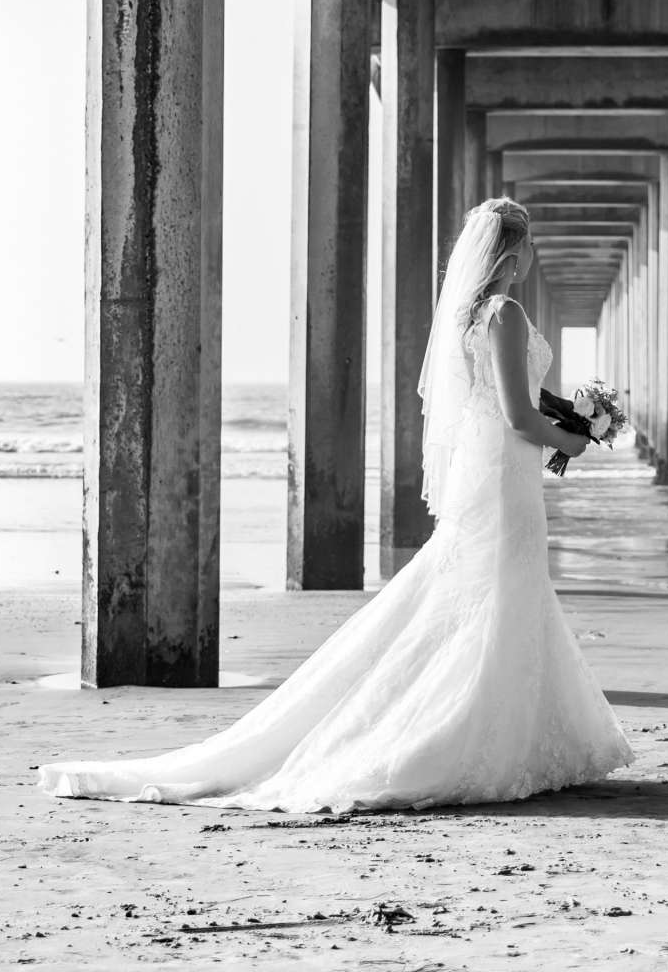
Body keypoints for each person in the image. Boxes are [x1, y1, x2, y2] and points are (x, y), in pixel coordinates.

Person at [38, 198, 633, 812]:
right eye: (531, 244)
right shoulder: (505, 312)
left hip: (491, 466)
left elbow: (510, 395)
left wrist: (572, 411)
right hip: (503, 473)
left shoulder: (472, 316)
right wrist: (571, 440)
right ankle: (476, 735)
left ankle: (513, 734)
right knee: (500, 588)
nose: (536, 255)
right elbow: (515, 412)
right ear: (512, 253)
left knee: (495, 589)